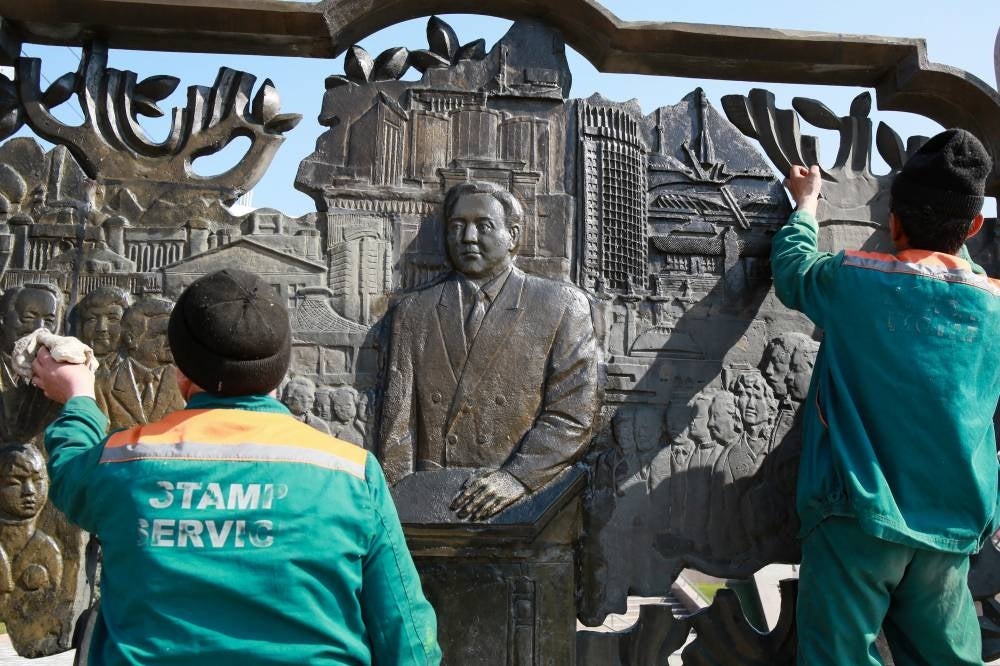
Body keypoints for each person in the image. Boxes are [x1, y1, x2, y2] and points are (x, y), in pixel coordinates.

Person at [33, 268, 441, 665]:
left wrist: (80, 397)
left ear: (181, 372)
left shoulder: (124, 463)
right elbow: (407, 636)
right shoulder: (351, 473)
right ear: (280, 370)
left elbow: (69, 472)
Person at [772, 129, 999, 665]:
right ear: (973, 226)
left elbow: (792, 272)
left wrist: (805, 205)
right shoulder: (993, 307)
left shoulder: (853, 280)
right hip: (951, 525)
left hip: (857, 514)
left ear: (892, 220)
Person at [379, 181, 599, 522]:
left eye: (483, 226)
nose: (467, 237)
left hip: (525, 507)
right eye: (456, 226)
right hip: (433, 501)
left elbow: (574, 413)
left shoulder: (561, 306)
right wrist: (393, 503)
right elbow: (398, 425)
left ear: (513, 236)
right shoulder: (414, 311)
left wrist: (517, 477)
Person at [94, 296, 184, 429]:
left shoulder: (186, 383)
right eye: (162, 334)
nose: (170, 341)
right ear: (131, 339)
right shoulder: (103, 383)